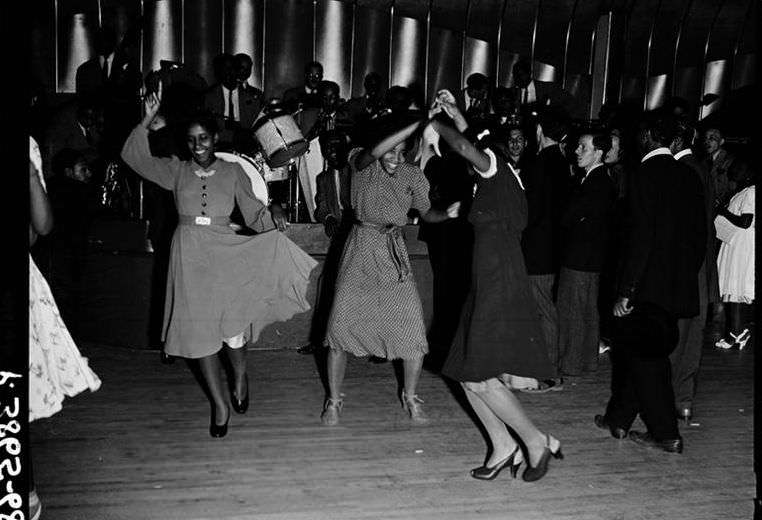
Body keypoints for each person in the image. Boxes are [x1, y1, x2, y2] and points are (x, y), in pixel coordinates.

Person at [121, 83, 317, 438]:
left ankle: (240, 375)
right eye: (192, 140)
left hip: (226, 253)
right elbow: (134, 158)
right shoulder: (176, 171)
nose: (198, 146)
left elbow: (255, 215)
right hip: (189, 256)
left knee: (232, 334)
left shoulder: (233, 172)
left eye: (204, 139)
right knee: (199, 336)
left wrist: (273, 211)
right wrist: (146, 118)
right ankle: (219, 403)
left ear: (215, 139)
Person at [428, 93, 562, 483]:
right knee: (463, 369)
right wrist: (457, 114)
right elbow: (474, 141)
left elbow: (468, 147)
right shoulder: (499, 177)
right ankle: (503, 446)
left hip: (499, 282)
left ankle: (536, 441)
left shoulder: (496, 171)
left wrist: (435, 125)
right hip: (487, 280)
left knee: (479, 375)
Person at [319, 114, 461, 426]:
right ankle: (333, 399)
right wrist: (418, 121)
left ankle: (410, 397)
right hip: (360, 249)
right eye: (391, 151)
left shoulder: (413, 175)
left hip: (393, 252)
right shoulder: (362, 162)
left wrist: (447, 214)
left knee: (412, 327)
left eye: (402, 152)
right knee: (340, 327)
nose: (395, 158)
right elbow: (373, 150)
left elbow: (427, 213)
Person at [595, 112, 706, 454]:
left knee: (646, 359)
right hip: (674, 285)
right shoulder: (689, 176)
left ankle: (666, 433)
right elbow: (700, 236)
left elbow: (641, 238)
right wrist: (682, 275)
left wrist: (627, 291)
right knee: (639, 349)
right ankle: (619, 419)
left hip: (644, 286)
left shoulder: (642, 175)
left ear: (645, 139)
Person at [29, 136, 102, 520]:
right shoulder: (73, 191)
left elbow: (41, 227)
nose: (86, 174)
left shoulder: (43, 171)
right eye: (83, 168)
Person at [668, 118, 716, 421]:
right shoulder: (701, 168)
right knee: (692, 335)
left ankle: (669, 398)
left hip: (684, 264)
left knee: (675, 334)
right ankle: (683, 400)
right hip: (701, 265)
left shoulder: (680, 171)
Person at [556, 132, 616, 376]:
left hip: (579, 257)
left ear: (599, 152)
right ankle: (586, 361)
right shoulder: (600, 179)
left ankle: (569, 364)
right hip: (591, 258)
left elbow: (568, 217)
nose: (577, 151)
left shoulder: (594, 182)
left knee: (573, 311)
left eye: (583, 147)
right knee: (587, 310)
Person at [297, 130, 353, 356]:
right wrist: (328, 218)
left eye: (336, 146)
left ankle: (379, 345)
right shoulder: (323, 179)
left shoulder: (358, 172)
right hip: (340, 240)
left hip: (361, 238)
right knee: (326, 284)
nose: (331, 151)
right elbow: (320, 207)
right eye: (327, 147)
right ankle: (320, 341)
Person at [714, 157, 755, 350]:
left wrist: (723, 211)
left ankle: (739, 332)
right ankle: (735, 333)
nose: (734, 171)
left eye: (740, 168)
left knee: (737, 289)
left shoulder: (751, 193)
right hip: (733, 244)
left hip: (742, 247)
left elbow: (746, 222)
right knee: (732, 291)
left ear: (749, 173)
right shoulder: (740, 193)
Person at [203, 53, 263, 152]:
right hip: (219, 147)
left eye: (232, 69)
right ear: (218, 73)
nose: (229, 73)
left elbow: (257, 129)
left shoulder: (253, 97)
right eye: (224, 69)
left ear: (238, 71)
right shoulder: (209, 97)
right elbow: (207, 130)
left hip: (246, 146)